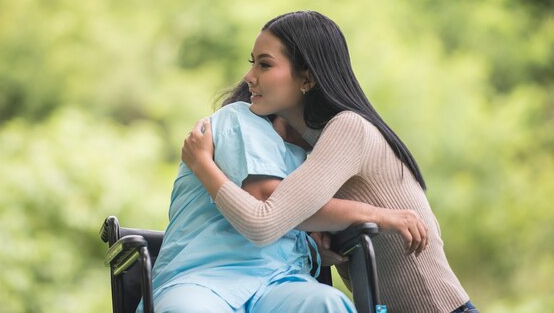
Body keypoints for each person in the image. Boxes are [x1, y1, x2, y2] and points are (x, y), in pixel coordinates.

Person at [182, 10, 478, 313]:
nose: (249, 77)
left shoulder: (348, 129)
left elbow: (263, 221)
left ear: (307, 78)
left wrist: (203, 164)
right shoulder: (311, 151)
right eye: (252, 63)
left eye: (265, 64)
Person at [140, 88, 429, 313]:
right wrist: (378, 214)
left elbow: (294, 217)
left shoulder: (302, 159)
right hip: (205, 278)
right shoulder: (239, 119)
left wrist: (313, 247)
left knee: (326, 304)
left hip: (277, 283)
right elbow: (272, 202)